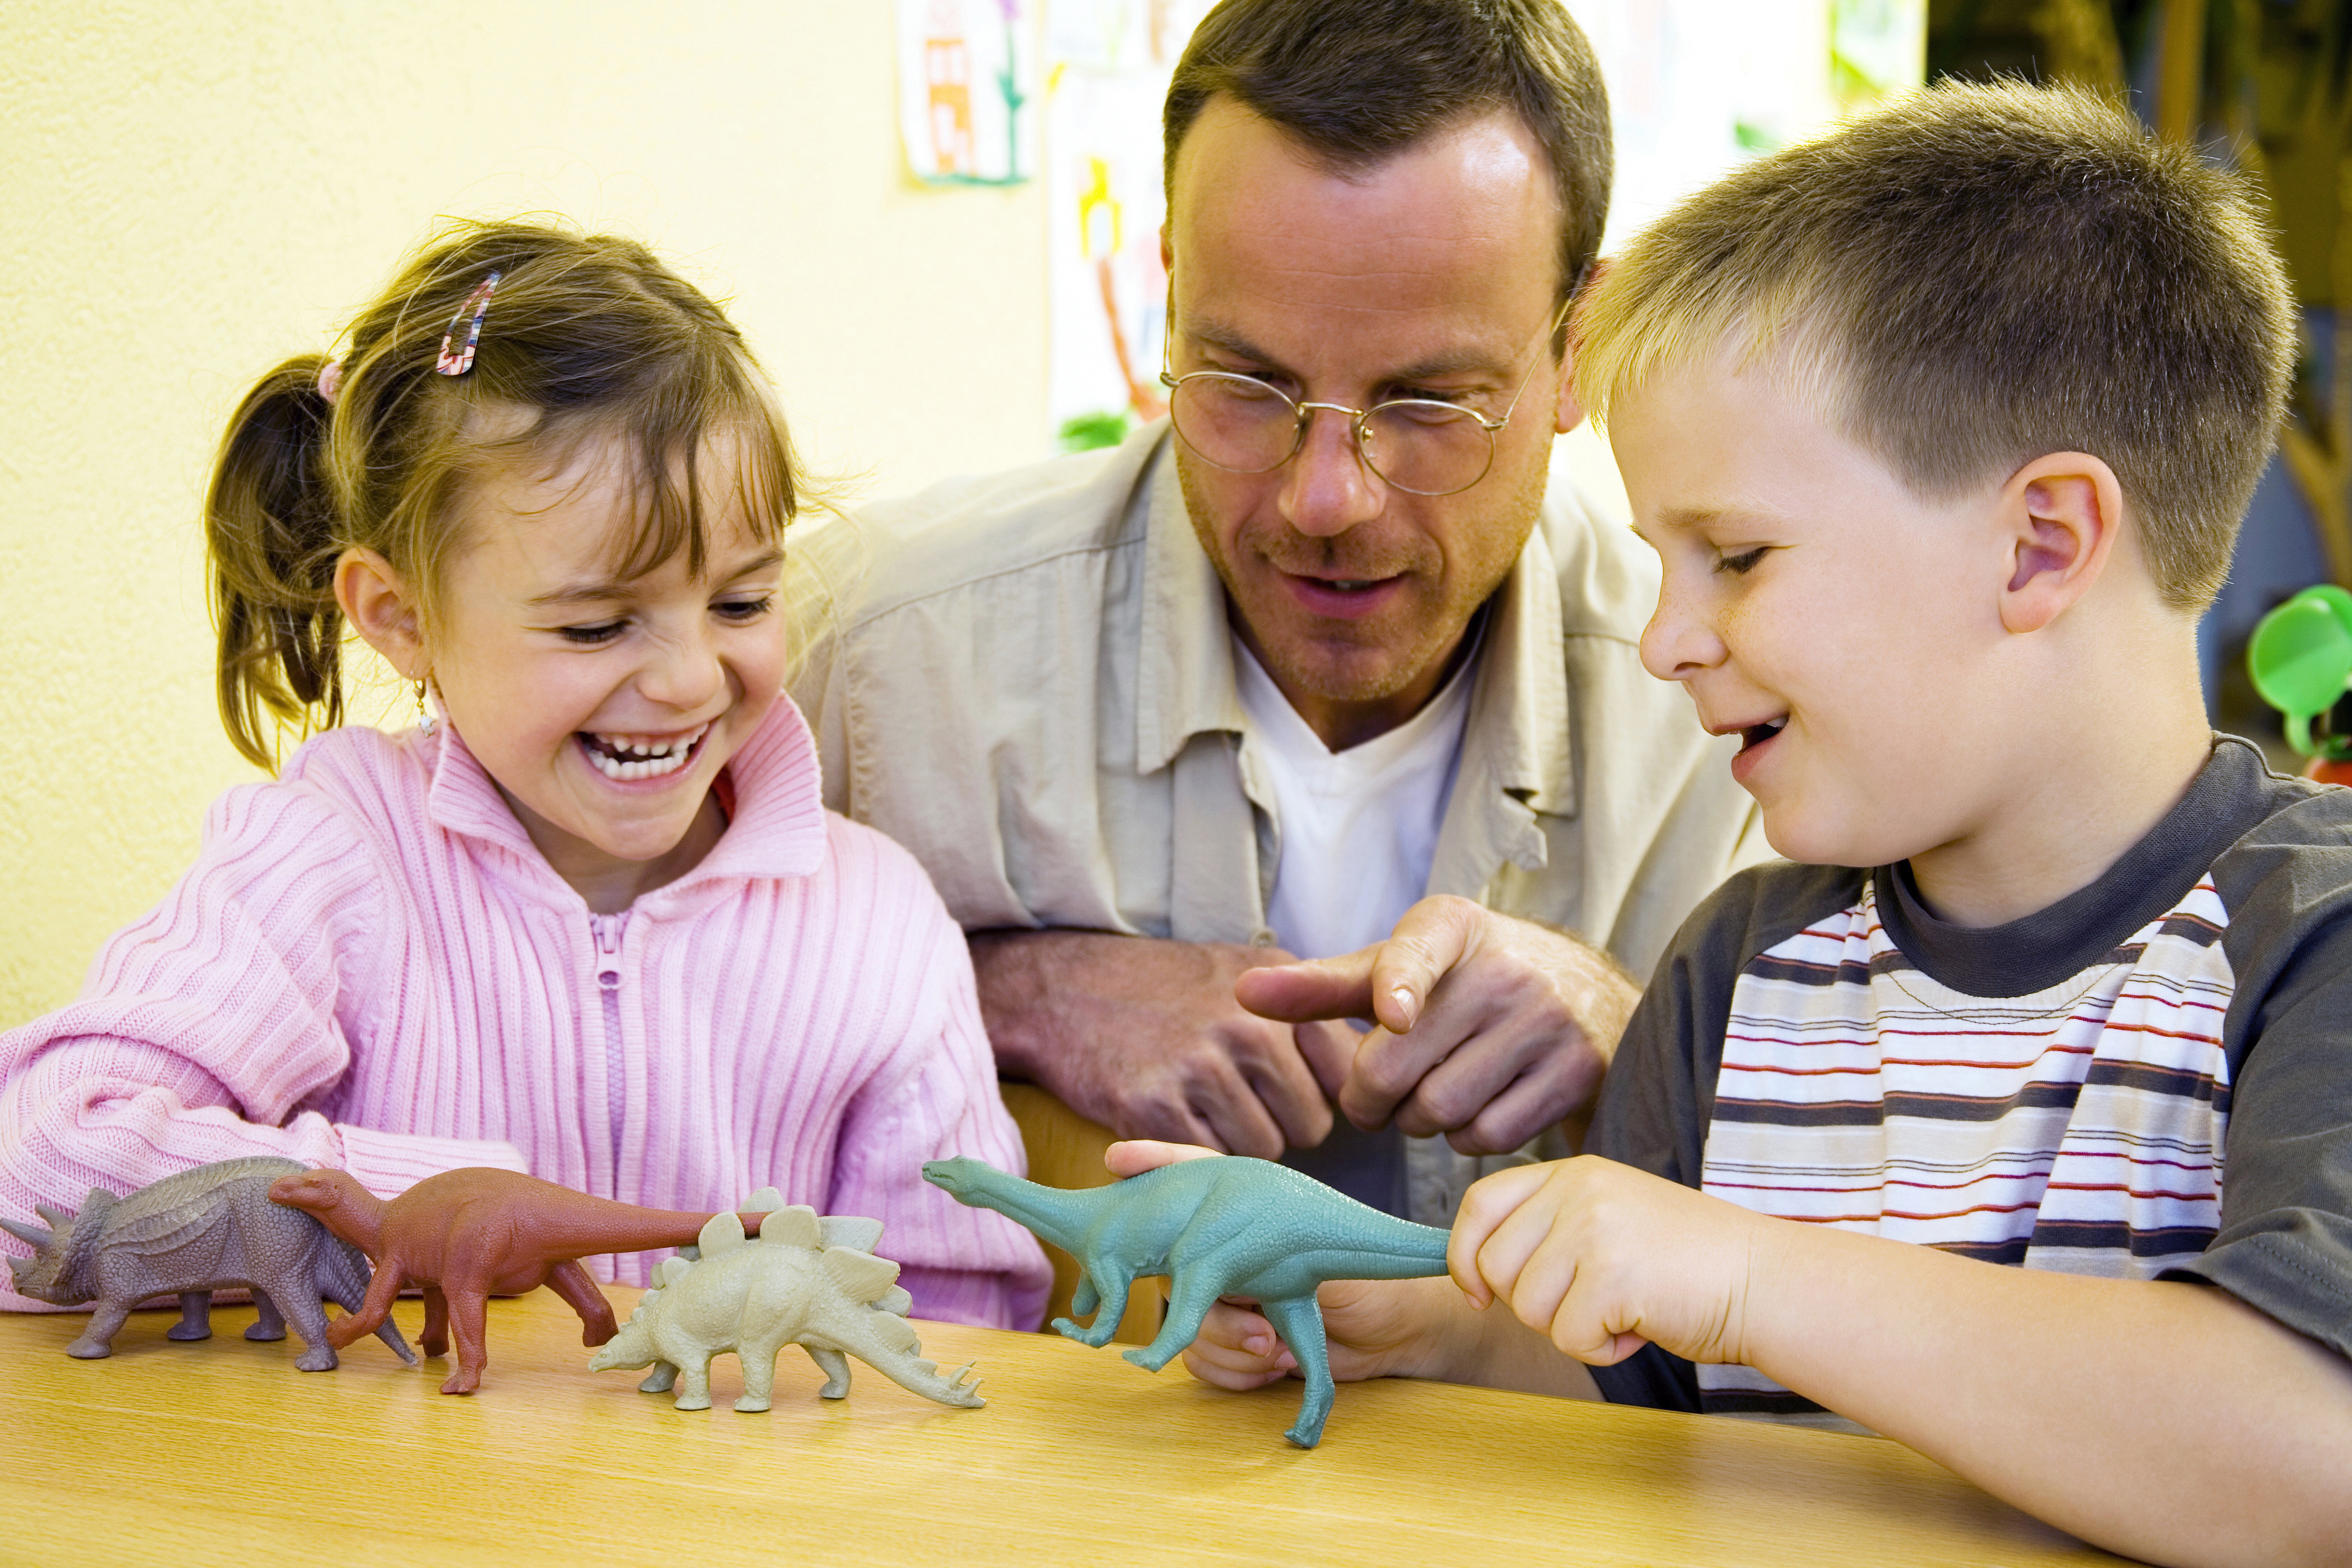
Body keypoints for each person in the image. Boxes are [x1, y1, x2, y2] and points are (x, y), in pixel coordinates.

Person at [1160, 82, 2352, 1563]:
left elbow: (2315, 1460)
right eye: (1667, 564)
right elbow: (1645, 1381)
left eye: (1735, 556)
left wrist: (1742, 1274)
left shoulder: (2315, 944)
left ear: (2042, 546)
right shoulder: (1744, 972)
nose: (1667, 640)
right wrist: (1416, 1324)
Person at [788, 0, 1757, 1224]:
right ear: (1167, 296)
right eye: (1247, 383)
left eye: (1426, 401)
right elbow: (597, 983)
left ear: (1580, 352)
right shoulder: (868, 647)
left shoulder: (1738, 710)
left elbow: (1915, 1207)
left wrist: (1638, 1041)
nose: (1324, 499)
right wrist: (1005, 990)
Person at [0, 223, 1049, 1329]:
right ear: (401, 618)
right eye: (598, 626)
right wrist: (436, 1203)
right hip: (377, 1499)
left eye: (742, 601)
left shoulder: (879, 922)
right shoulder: (327, 850)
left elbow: (961, 1315)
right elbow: (33, 1164)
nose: (693, 678)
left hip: (739, 1495)